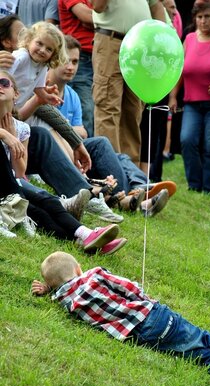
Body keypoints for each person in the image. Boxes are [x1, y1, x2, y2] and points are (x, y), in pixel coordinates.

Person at [31, 250, 210, 386]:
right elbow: (129, 288)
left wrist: (49, 291)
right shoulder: (94, 274)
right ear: (77, 269)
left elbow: (62, 293)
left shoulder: (67, 302)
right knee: (204, 338)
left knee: (199, 355)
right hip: (155, 315)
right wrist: (144, 296)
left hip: (144, 336)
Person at [34, 35, 173, 217]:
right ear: (54, 61)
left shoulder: (72, 95)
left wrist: (66, 128)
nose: (71, 67)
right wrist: (65, 128)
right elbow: (51, 130)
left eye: (75, 62)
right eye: (66, 60)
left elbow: (82, 132)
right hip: (53, 151)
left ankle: (139, 187)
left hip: (73, 148)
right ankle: (133, 196)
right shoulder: (40, 87)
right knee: (104, 146)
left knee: (114, 153)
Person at [0, 71, 126, 252]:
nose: (0, 87)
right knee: (43, 199)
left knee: (39, 212)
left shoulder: (22, 128)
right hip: (8, 191)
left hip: (13, 185)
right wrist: (3, 134)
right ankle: (85, 231)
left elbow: (19, 173)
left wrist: (13, 138)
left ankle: (85, 241)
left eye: (4, 83)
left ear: (16, 93)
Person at [90, 0, 165, 167]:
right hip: (111, 40)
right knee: (108, 106)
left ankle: (130, 175)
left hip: (140, 46)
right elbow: (98, 6)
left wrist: (162, 38)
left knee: (134, 111)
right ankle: (109, 172)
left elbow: (157, 5)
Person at [169, 1, 210, 194]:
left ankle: (208, 189)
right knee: (187, 140)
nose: (203, 21)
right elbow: (180, 72)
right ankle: (194, 185)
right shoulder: (190, 39)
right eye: (199, 17)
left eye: (207, 16)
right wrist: (173, 97)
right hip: (191, 103)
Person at [8, 21, 68, 122]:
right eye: (39, 43)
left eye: (49, 49)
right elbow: (4, 75)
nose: (42, 50)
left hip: (13, 108)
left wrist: (46, 96)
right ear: (29, 40)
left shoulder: (43, 66)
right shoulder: (22, 57)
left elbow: (38, 87)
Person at [58, 0, 95, 137]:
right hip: (80, 54)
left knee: (89, 110)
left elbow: (92, 19)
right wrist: (107, 21)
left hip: (96, 56)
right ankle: (86, 154)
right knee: (87, 109)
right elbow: (87, 17)